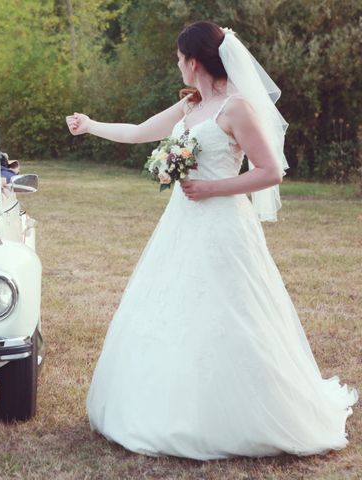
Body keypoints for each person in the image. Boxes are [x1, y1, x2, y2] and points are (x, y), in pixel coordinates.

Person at [66, 21, 357, 460]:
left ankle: (244, 416)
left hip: (223, 223)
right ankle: (163, 409)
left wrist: (212, 188)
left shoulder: (237, 108)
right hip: (182, 222)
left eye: (179, 59)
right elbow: (141, 131)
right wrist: (90, 125)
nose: (178, 66)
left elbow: (271, 171)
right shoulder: (192, 105)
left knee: (230, 310)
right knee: (172, 307)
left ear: (194, 59)